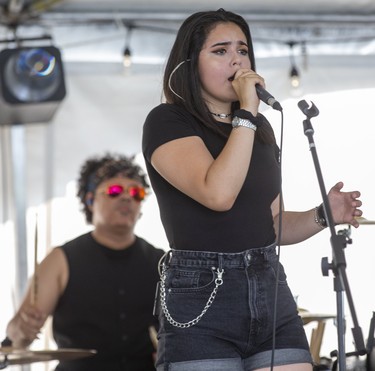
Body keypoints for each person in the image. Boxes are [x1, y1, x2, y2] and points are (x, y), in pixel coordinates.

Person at [142, 9, 363, 371]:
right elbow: (217, 194)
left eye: (242, 51)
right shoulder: (167, 120)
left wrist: (323, 214)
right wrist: (247, 111)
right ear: (189, 63)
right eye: (220, 51)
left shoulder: (258, 129)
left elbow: (272, 223)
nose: (237, 61)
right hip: (202, 294)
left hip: (267, 283)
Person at [4, 153, 165, 371]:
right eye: (115, 191)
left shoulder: (161, 262)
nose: (127, 198)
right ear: (90, 200)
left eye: (136, 192)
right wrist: (20, 331)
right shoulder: (60, 260)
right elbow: (18, 337)